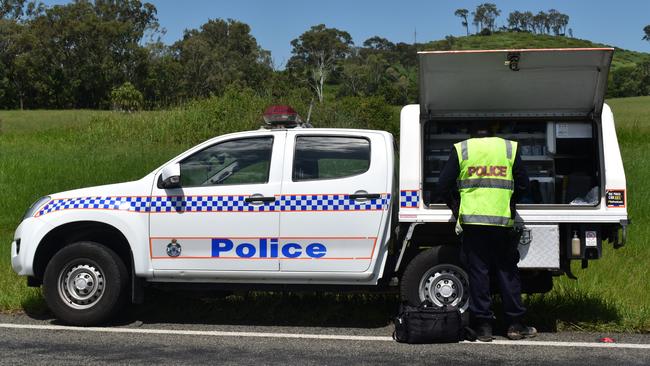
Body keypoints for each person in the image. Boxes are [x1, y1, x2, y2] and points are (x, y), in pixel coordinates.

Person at [436, 128, 537, 342]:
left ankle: (483, 328)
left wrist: (456, 207)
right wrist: (509, 202)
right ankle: (515, 325)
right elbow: (524, 185)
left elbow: (442, 185)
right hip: (501, 221)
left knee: (478, 272)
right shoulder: (509, 148)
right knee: (506, 271)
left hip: (473, 221)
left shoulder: (463, 149)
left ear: (474, 136)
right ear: (494, 134)